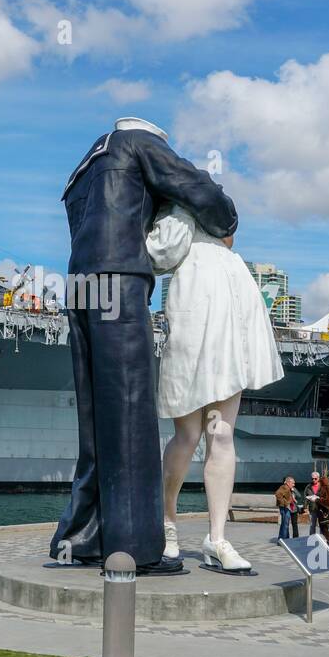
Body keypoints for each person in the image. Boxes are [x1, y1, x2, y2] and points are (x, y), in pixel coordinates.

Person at [50, 117, 238, 576]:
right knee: (131, 414)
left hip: (80, 284)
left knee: (96, 420)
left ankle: (81, 539)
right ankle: (135, 548)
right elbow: (199, 189)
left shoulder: (84, 165)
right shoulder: (140, 143)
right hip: (119, 279)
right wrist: (226, 217)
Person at [146, 197, 284, 573]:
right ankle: (167, 522)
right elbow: (161, 255)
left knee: (220, 435)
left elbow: (166, 251)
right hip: (204, 314)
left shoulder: (195, 212)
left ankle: (217, 537)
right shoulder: (182, 211)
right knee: (190, 436)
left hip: (230, 315)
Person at [274, 475, 301, 543]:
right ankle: (284, 540)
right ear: (288, 482)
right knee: (285, 524)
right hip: (285, 508)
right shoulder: (284, 487)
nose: (294, 484)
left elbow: (292, 496)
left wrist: (292, 500)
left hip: (287, 508)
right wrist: (286, 503)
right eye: (293, 483)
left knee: (284, 524)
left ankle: (283, 539)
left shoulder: (288, 488)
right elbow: (277, 494)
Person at [305, 470, 322, 535]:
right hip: (312, 509)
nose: (314, 480)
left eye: (315, 478)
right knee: (312, 525)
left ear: (318, 478)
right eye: (312, 479)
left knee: (322, 525)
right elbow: (305, 497)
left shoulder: (322, 486)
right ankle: (311, 539)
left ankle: (323, 540)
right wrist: (305, 507)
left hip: (321, 509)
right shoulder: (308, 486)